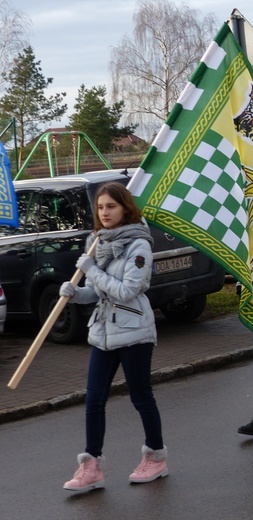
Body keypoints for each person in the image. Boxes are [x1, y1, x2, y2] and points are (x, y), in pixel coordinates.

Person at [60, 182, 168, 492]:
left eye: (111, 206)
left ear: (125, 208)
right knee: (93, 400)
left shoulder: (139, 246)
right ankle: (91, 466)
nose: (104, 212)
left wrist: (91, 270)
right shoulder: (97, 242)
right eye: (100, 207)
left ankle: (156, 458)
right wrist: (75, 294)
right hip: (103, 332)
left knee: (141, 397)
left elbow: (127, 291)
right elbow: (98, 292)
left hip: (134, 330)